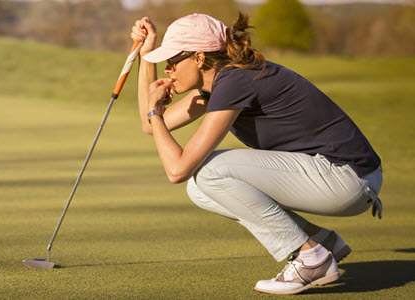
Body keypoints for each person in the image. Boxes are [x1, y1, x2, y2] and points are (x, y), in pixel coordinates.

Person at [130, 13, 383, 295]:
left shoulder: (235, 81)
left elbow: (177, 169)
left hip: (347, 179)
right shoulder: (220, 82)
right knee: (200, 189)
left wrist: (156, 110)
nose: (168, 69)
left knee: (209, 171)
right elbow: (149, 124)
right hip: (337, 177)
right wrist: (146, 53)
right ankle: (319, 239)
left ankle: (311, 259)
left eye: (173, 61)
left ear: (199, 58)